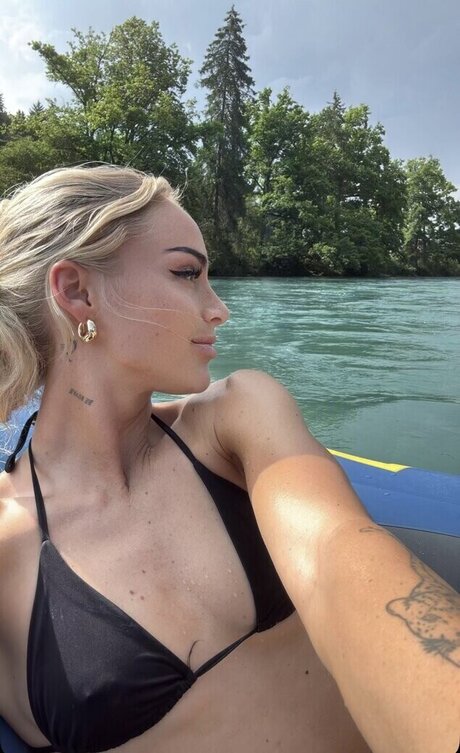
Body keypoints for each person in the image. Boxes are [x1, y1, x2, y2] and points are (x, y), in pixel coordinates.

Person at [0, 165, 457, 753]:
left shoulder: (234, 421)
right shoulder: (8, 547)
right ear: (77, 292)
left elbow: (336, 550)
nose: (219, 309)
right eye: (187, 273)